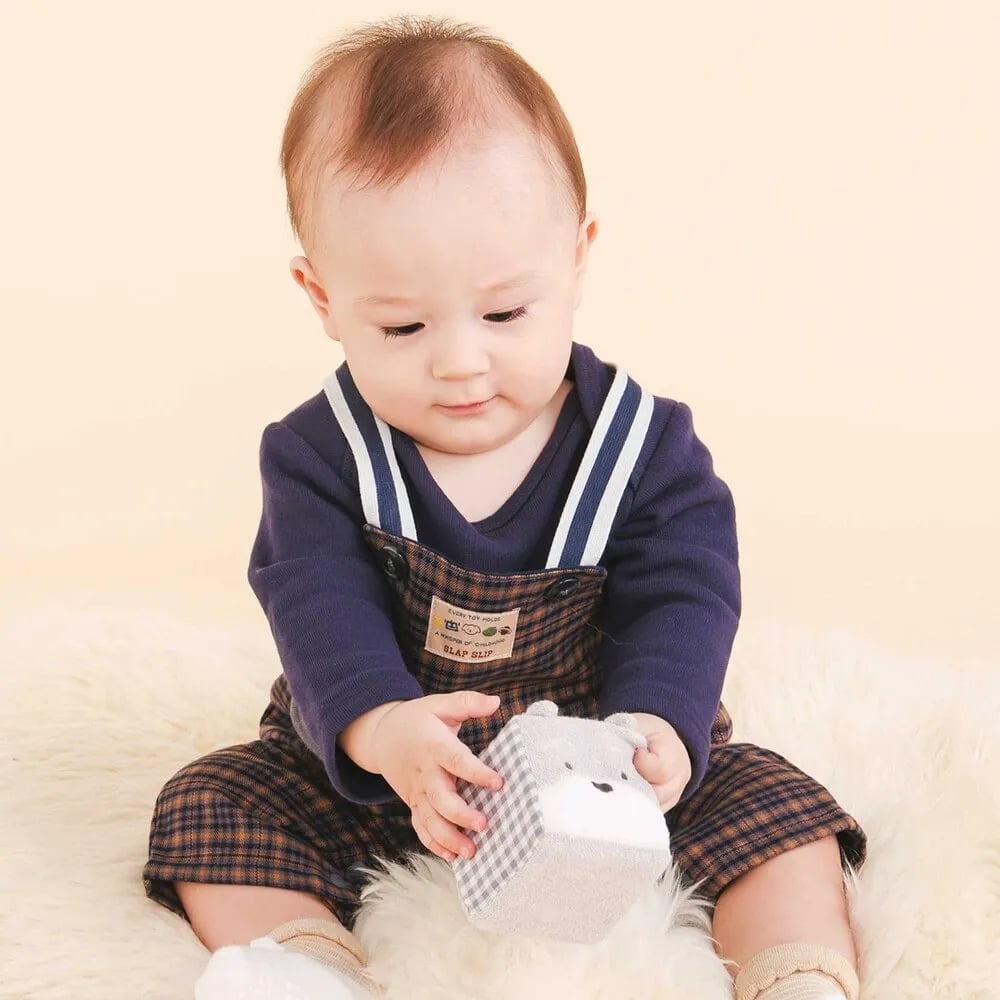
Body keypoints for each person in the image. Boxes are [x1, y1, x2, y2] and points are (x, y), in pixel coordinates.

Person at [142, 14, 867, 1000]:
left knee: (778, 813)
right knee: (211, 804)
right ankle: (304, 965)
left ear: (577, 255)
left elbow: (685, 593)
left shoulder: (641, 446)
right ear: (321, 297)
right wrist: (380, 730)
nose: (460, 360)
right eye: (402, 325)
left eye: (504, 313)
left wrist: (660, 723)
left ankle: (793, 973)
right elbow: (315, 603)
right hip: (396, 776)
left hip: (604, 770)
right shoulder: (319, 455)